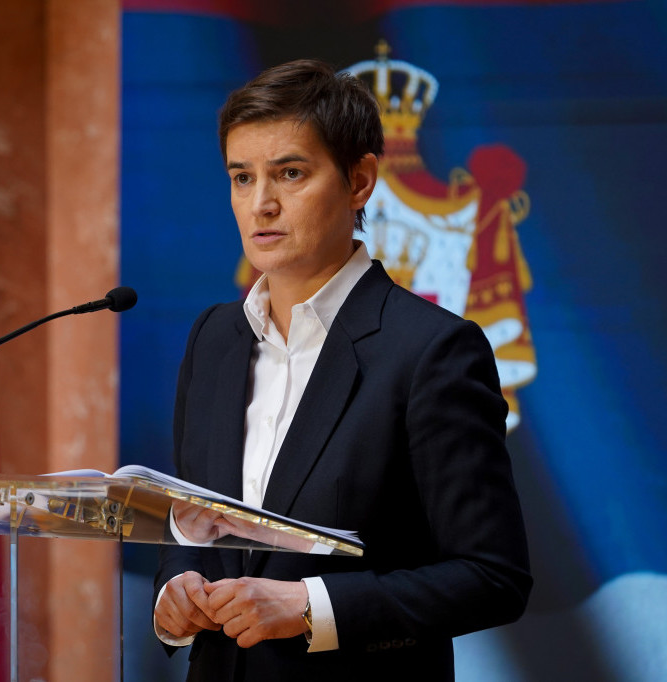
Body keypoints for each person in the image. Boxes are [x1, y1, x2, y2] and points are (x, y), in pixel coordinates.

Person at [152, 58, 531, 682]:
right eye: (242, 178)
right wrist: (177, 591)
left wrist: (311, 608)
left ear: (359, 182)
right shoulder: (213, 338)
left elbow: (493, 576)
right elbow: (195, 527)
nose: (261, 204)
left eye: (290, 174)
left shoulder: (433, 350)